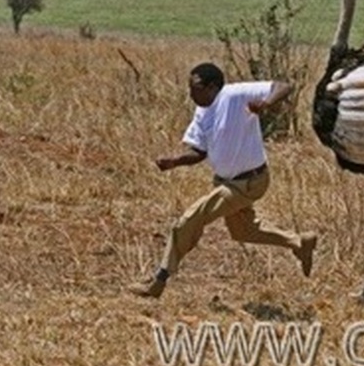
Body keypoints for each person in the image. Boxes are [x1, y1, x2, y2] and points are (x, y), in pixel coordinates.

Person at [128, 62, 317, 298]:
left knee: (188, 220)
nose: (191, 94)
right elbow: (199, 152)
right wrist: (175, 161)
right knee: (244, 231)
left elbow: (284, 86)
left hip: (249, 182)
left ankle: (158, 280)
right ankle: (298, 242)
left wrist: (266, 104)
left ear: (213, 87)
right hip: (227, 183)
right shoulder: (202, 112)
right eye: (189, 88)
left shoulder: (234, 95)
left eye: (196, 88)